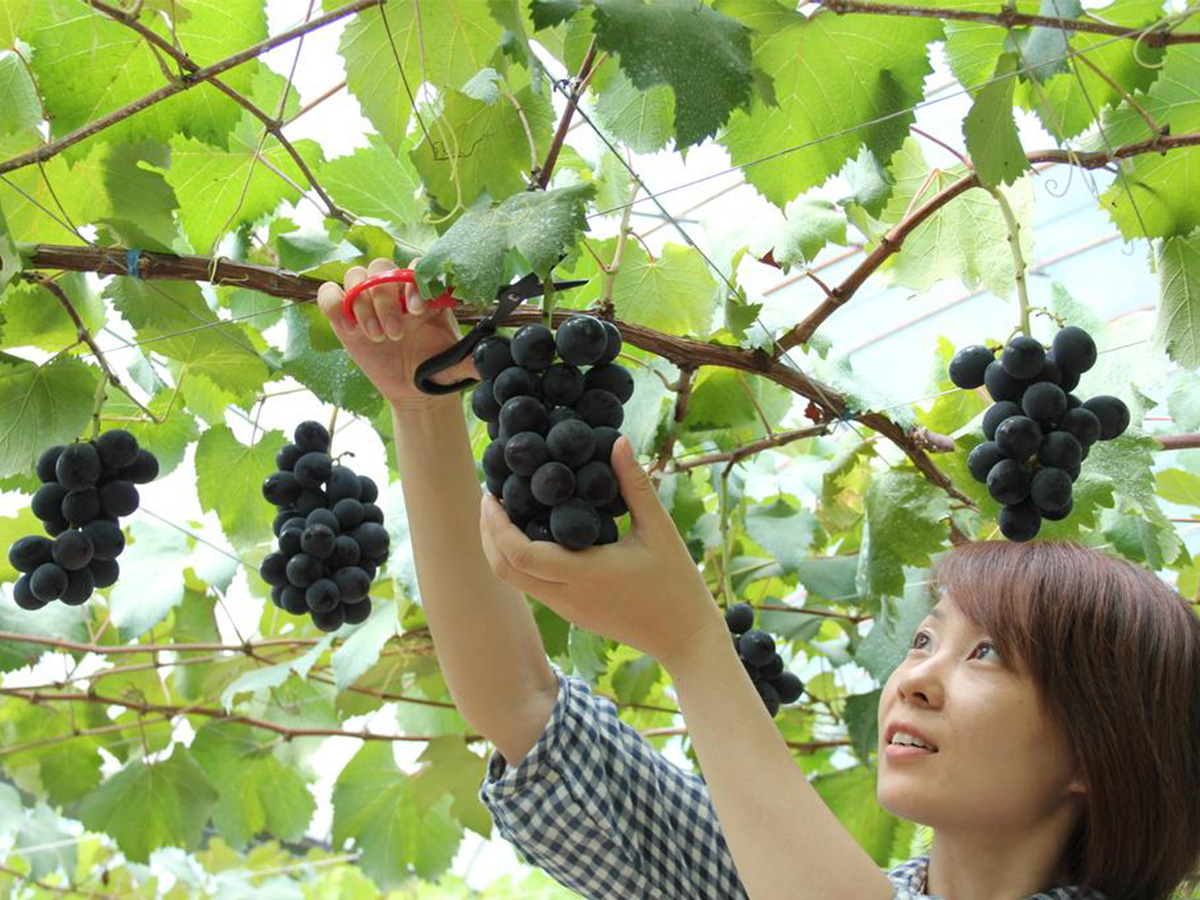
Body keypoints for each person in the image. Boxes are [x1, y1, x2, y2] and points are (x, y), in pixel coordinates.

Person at [317, 259, 1200, 900]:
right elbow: (521, 708)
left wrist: (697, 646)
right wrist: (420, 409)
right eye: (927, 639)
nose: (918, 678)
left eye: (990, 653)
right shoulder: (778, 874)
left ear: (1101, 741)